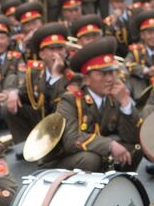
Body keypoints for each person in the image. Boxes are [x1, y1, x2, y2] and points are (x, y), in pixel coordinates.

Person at [39, 38, 141, 172]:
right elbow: (71, 141)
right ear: (86, 79)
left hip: (94, 152)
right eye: (102, 74)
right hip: (63, 160)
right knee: (91, 159)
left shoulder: (114, 96)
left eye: (112, 72)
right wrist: (109, 144)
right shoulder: (70, 100)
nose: (110, 79)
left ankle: (120, 182)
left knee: (135, 148)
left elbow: (132, 137)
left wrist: (125, 103)